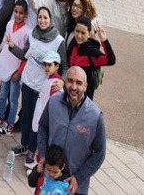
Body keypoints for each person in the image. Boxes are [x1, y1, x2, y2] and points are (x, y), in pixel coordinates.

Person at [8, 7, 65, 170]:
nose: (42, 20)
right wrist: (12, 47)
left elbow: (64, 66)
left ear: (50, 19)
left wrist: (61, 81)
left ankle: (33, 151)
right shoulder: (33, 34)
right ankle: (24, 145)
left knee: (37, 121)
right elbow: (24, 54)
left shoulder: (58, 41)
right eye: (40, 17)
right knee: (25, 117)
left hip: (43, 88)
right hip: (27, 83)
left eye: (45, 17)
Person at [38, 67, 106, 195]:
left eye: (79, 83)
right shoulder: (53, 102)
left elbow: (99, 153)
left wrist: (79, 177)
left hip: (76, 187)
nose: (73, 87)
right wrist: (43, 155)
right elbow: (42, 127)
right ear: (64, 82)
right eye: (70, 81)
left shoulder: (95, 116)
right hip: (51, 180)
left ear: (85, 86)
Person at [0, 0, 29, 135]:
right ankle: (0, 116)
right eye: (16, 12)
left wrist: (19, 71)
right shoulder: (10, 24)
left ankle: (10, 124)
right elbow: (4, 43)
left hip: (15, 70)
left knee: (13, 99)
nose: (18, 15)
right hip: (5, 65)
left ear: (25, 14)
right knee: (3, 94)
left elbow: (25, 55)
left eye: (21, 13)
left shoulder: (27, 32)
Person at [66, 17, 115, 100]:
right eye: (77, 31)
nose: (79, 36)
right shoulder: (73, 44)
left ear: (89, 34)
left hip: (84, 97)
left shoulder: (91, 51)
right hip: (70, 91)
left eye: (83, 33)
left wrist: (104, 40)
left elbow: (111, 60)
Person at [31, 51, 63, 141]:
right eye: (45, 65)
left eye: (49, 65)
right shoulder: (48, 79)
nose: (46, 68)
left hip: (46, 120)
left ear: (57, 66)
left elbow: (55, 105)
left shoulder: (55, 84)